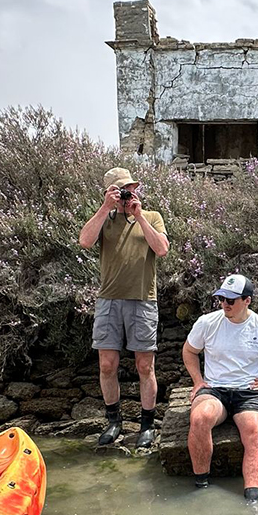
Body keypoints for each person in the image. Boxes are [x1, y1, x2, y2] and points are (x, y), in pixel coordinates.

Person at [182, 274, 258, 503]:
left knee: (254, 430)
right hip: (215, 389)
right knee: (200, 418)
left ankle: (252, 500)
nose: (225, 304)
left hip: (249, 393)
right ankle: (201, 486)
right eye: (222, 298)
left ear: (247, 301)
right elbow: (189, 351)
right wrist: (197, 381)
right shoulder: (207, 323)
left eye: (231, 300)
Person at [77, 167, 169, 448]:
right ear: (109, 193)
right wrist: (105, 208)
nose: (126, 194)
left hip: (143, 299)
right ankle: (114, 422)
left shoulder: (151, 216)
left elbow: (163, 249)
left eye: (129, 188)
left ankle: (146, 425)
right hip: (109, 300)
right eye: (120, 190)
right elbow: (85, 241)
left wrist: (139, 215)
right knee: (107, 365)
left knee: (145, 365)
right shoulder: (104, 218)